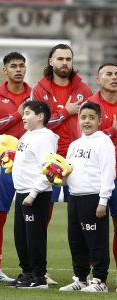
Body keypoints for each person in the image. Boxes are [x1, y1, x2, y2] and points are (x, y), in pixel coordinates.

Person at [58, 102, 115, 293]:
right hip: (74, 198)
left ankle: (100, 281)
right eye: (83, 117)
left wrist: (103, 200)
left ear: (99, 120)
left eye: (91, 117)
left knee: (96, 241)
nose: (87, 121)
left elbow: (108, 173)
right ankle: (81, 279)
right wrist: (56, 178)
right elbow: (67, 176)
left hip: (93, 198)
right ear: (78, 120)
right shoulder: (74, 145)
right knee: (76, 240)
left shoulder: (103, 142)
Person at [0, 52, 31, 282]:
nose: (18, 70)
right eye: (13, 66)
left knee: (32, 217)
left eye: (21, 66)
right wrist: (17, 114)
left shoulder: (34, 93)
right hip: (3, 163)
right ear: (5, 70)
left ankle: (34, 270)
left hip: (29, 164)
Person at [32, 44, 93, 216]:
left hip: (77, 160)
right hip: (48, 160)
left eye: (68, 59)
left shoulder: (84, 89)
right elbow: (36, 125)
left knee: (81, 214)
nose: (65, 63)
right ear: (51, 61)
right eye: (60, 59)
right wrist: (65, 112)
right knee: (43, 215)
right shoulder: (39, 90)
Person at [9, 101, 58, 289]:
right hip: (22, 193)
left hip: (34, 195)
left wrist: (34, 193)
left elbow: (49, 169)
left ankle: (39, 277)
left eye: (27, 113)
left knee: (34, 237)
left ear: (40, 116)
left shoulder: (45, 137)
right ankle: (27, 273)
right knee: (21, 237)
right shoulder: (27, 135)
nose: (23, 116)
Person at [87, 63, 117, 288]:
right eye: (109, 74)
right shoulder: (90, 106)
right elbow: (85, 137)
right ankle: (95, 276)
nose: (114, 77)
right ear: (98, 79)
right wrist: (112, 132)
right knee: (92, 228)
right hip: (94, 177)